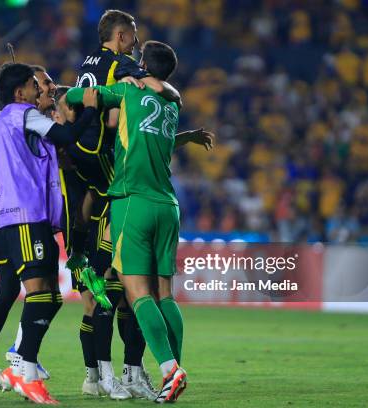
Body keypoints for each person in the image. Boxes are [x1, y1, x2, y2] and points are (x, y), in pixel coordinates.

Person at [66, 40, 214, 403]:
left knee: (135, 293)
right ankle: (173, 368)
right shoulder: (171, 103)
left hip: (133, 200)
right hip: (168, 205)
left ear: (143, 65)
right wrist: (189, 137)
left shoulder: (127, 92)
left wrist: (67, 91)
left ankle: (169, 370)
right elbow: (151, 140)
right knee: (165, 292)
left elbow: (77, 95)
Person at [0, 62, 98, 404]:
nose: (40, 89)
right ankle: (26, 370)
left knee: (50, 296)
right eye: (34, 85)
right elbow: (66, 136)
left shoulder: (5, 120)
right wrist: (90, 110)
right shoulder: (23, 114)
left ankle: (21, 365)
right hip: (24, 216)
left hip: (31, 217)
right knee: (38, 293)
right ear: (20, 93)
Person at [0, 65, 59, 390]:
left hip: (19, 213)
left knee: (23, 289)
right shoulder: (28, 120)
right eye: (43, 84)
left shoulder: (35, 122)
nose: (49, 88)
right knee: (22, 287)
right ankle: (9, 356)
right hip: (7, 211)